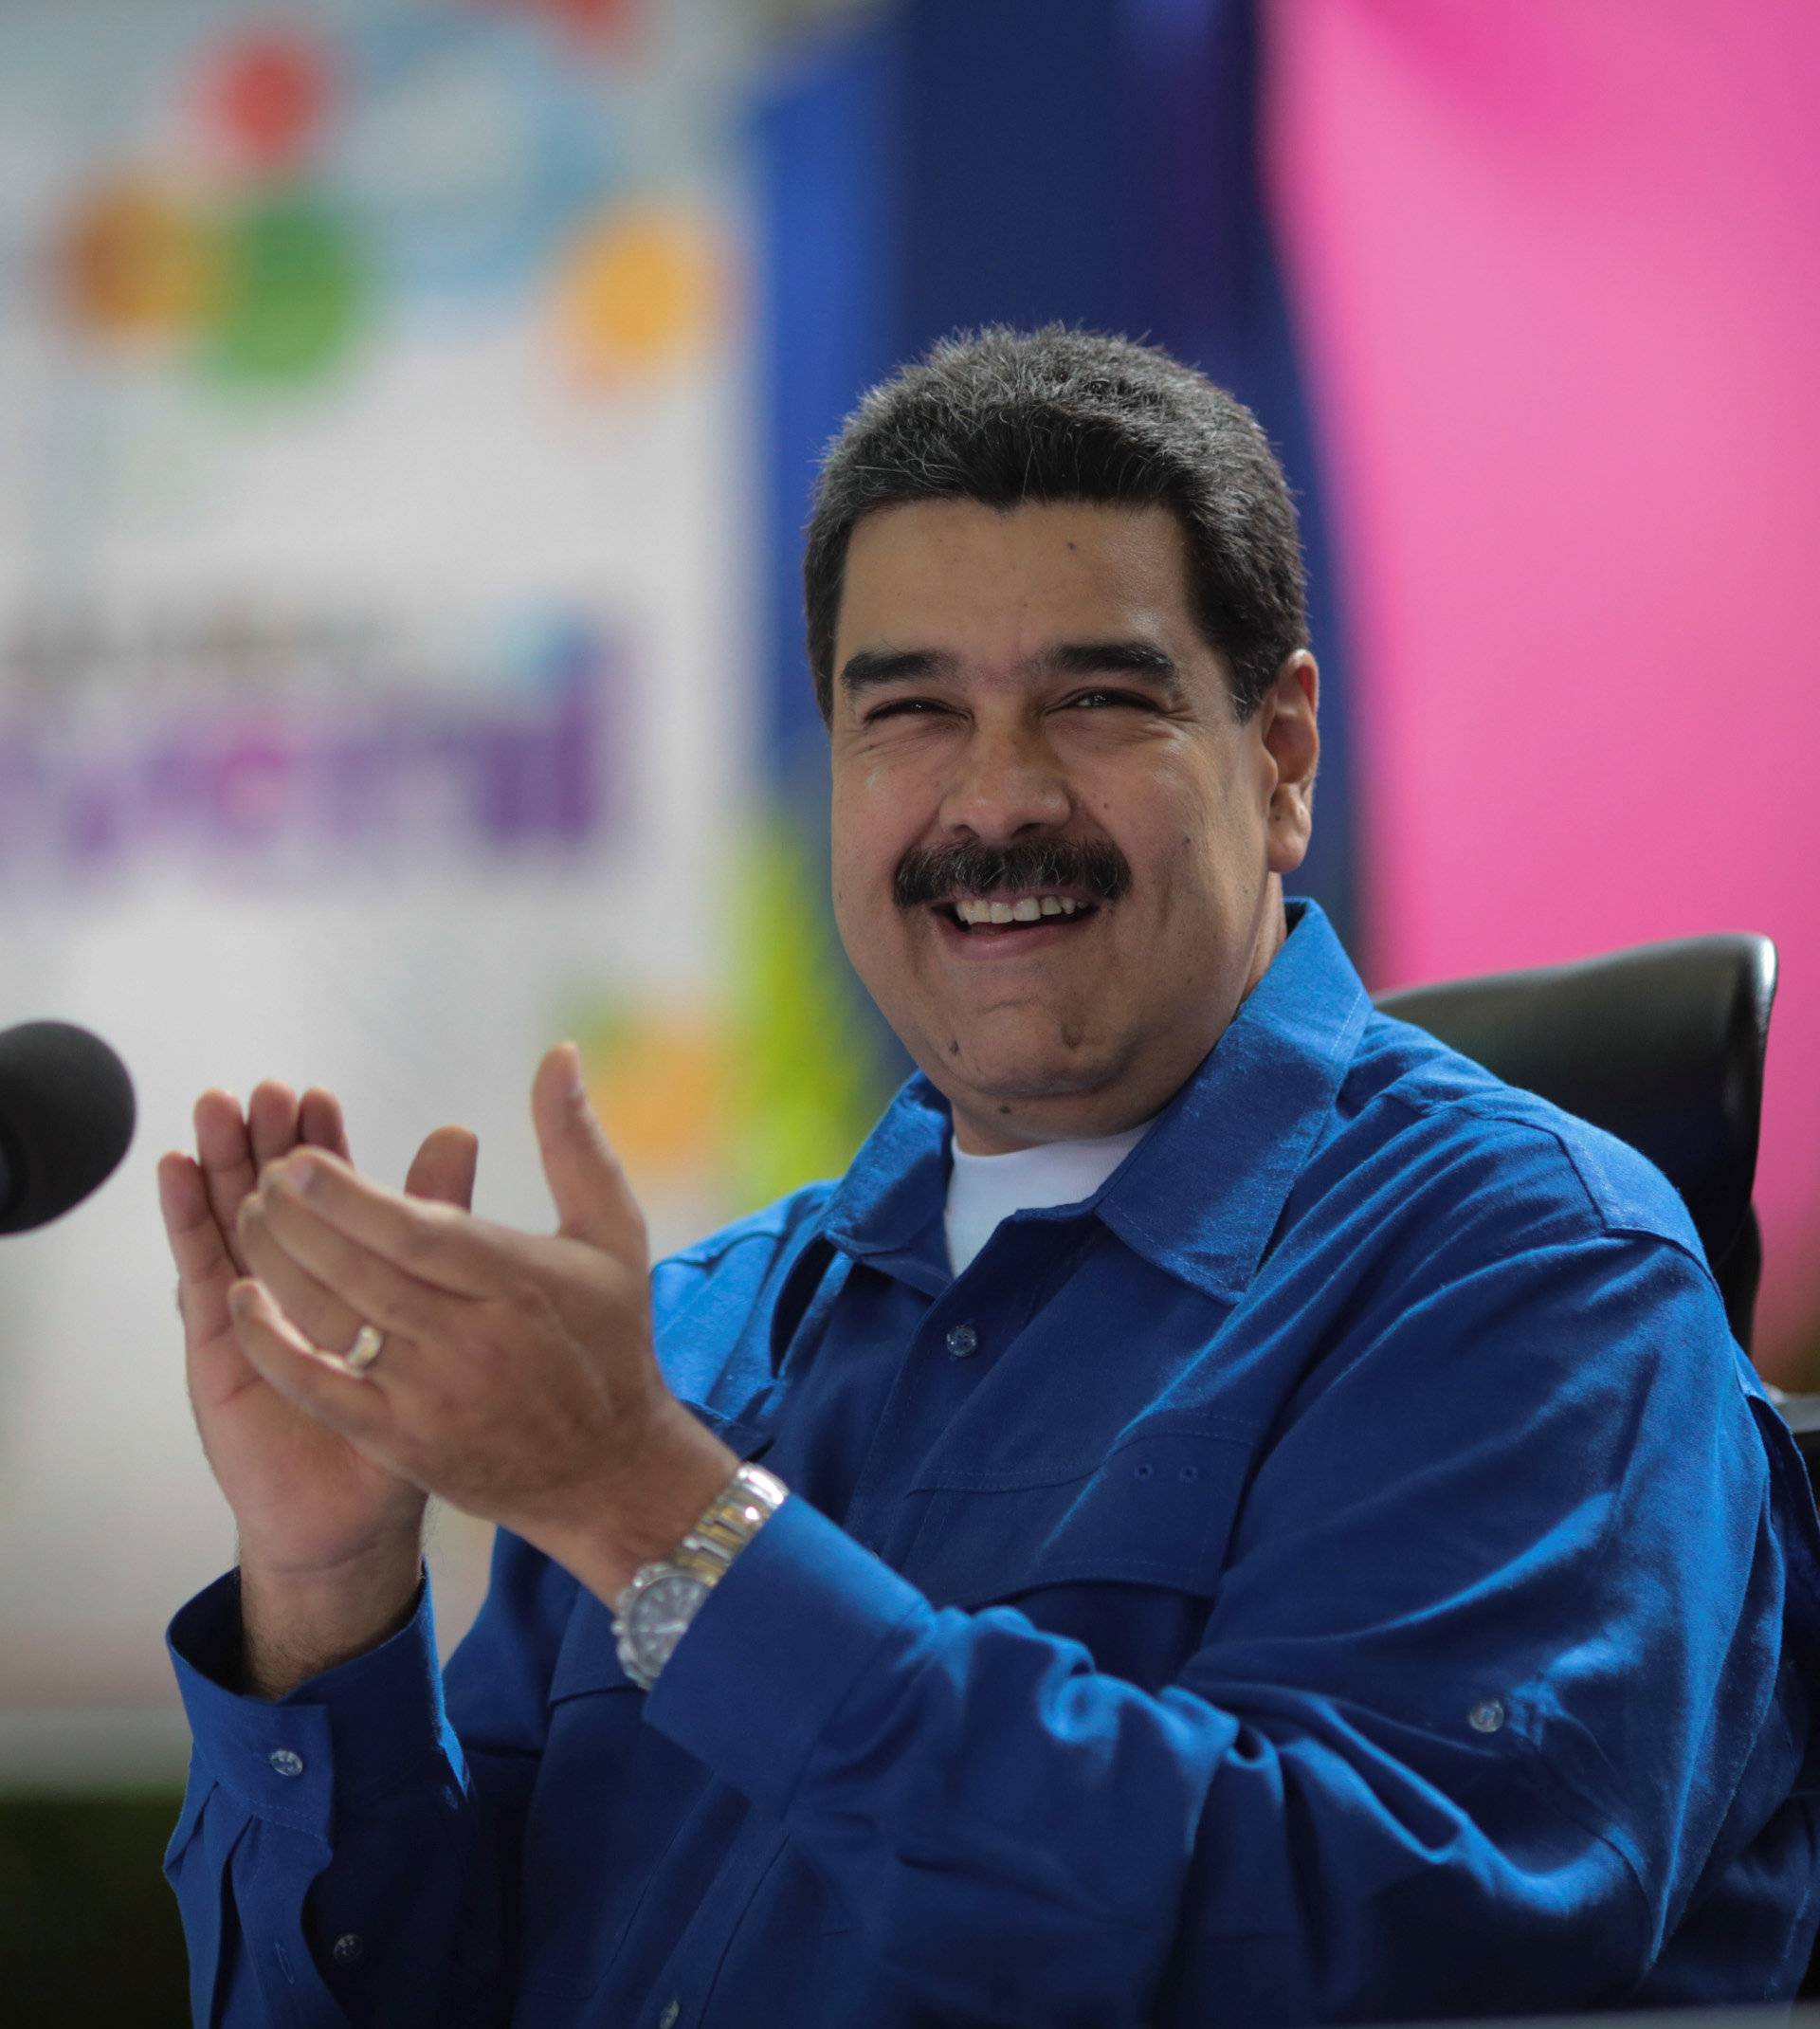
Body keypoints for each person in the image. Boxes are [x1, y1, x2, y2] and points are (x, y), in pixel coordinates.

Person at [158, 326, 1820, 2027]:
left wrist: (656, 1517)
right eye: (912, 713)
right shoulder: (697, 1340)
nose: (998, 798)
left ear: (1284, 758)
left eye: (1100, 700)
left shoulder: (1539, 1273)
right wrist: (326, 1590)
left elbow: (1366, 1938)